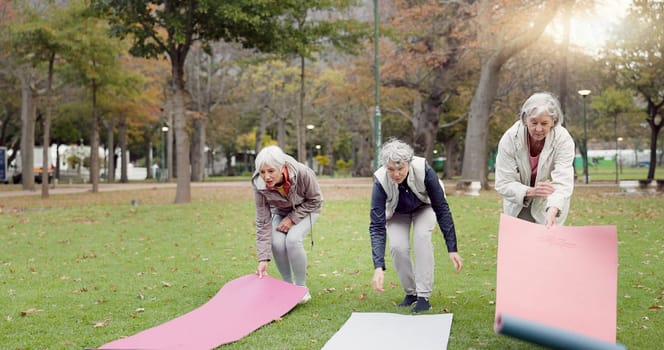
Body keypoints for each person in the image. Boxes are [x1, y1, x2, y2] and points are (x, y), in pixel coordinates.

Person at [369, 139, 463, 313]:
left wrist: (452, 248)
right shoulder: (380, 180)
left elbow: (442, 209)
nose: (396, 174)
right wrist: (378, 266)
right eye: (391, 169)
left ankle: (423, 296)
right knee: (398, 247)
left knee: (422, 237)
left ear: (409, 163)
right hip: (397, 211)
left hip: (424, 207)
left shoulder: (424, 169)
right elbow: (376, 226)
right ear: (385, 167)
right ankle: (411, 293)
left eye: (400, 168)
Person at [251, 145, 323, 303]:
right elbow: (263, 221)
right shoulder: (259, 184)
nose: (266, 177)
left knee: (292, 240)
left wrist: (292, 219)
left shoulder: (302, 173)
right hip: (281, 211)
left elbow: (316, 200)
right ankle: (287, 286)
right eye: (262, 172)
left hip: (308, 209)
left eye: (271, 171)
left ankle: (301, 288)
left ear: (281, 167)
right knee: (276, 243)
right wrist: (263, 259)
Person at [494, 92, 575, 228]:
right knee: (519, 247)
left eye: (544, 123)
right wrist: (531, 192)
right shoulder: (510, 138)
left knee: (548, 247)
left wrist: (553, 209)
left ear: (553, 122)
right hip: (518, 205)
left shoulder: (563, 140)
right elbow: (503, 182)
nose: (538, 129)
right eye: (533, 122)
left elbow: (563, 182)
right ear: (525, 119)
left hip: (549, 203)